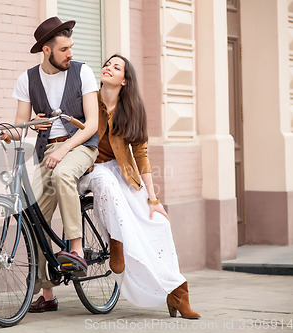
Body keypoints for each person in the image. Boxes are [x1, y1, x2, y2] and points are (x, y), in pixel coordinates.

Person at [78, 54, 201, 319]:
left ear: (125, 80)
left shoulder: (131, 109)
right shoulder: (88, 99)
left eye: (116, 67)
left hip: (123, 172)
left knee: (158, 224)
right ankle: (117, 242)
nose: (108, 68)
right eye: (107, 64)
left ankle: (177, 293)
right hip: (91, 168)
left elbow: (142, 155)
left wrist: (153, 200)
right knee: (105, 182)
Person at [1, 17, 99, 313]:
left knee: (64, 174)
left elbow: (92, 123)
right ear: (47, 50)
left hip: (80, 146)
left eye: (71, 47)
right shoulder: (27, 79)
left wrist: (64, 150)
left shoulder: (83, 72)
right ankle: (47, 293)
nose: (70, 53)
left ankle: (77, 249)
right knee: (35, 221)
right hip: (48, 152)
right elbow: (22, 125)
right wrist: (11, 131)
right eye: (64, 49)